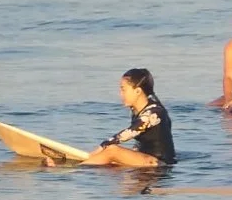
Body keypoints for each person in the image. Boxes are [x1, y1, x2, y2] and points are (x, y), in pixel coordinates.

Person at [46, 69, 175, 167]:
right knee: (110, 167)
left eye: (123, 89)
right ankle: (83, 165)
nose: (120, 94)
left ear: (138, 91)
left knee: (112, 151)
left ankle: (74, 169)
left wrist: (101, 148)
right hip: (146, 160)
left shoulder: (154, 113)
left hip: (158, 165)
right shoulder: (139, 108)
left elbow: (128, 133)